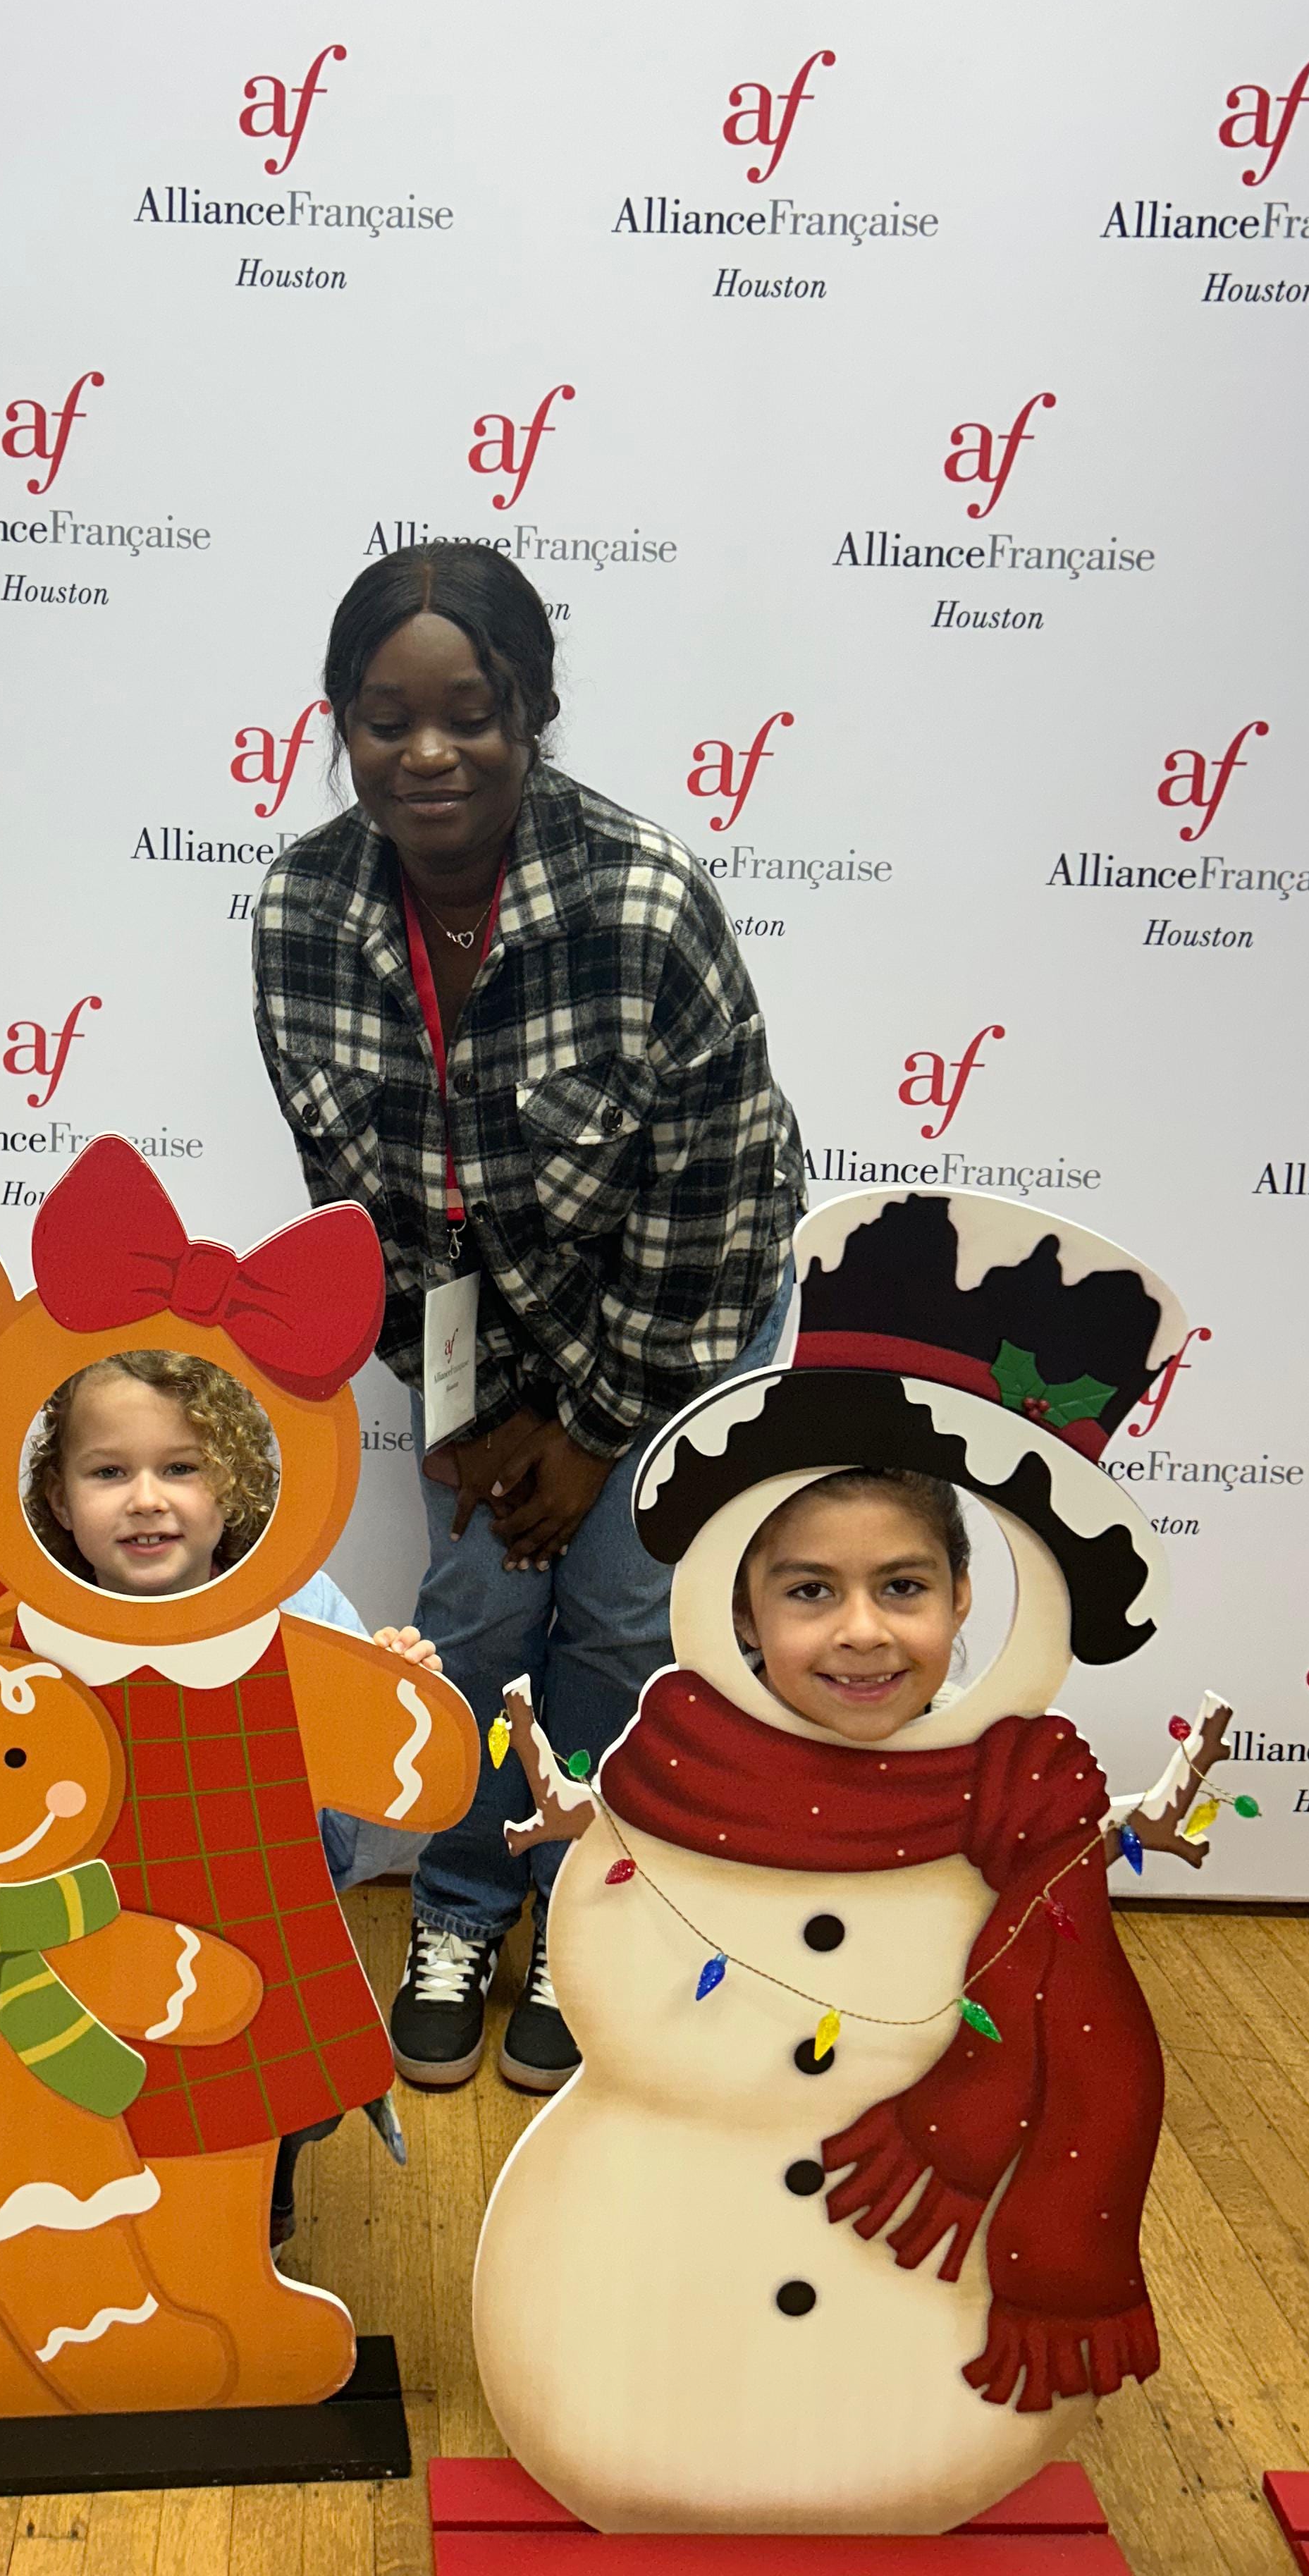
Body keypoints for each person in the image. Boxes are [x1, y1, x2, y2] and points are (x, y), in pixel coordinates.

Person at [252, 541, 804, 2094]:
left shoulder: (643, 901)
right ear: (341, 725)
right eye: (385, 720)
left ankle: (582, 1915)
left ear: (533, 714)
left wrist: (591, 1435)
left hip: (679, 1311)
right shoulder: (301, 911)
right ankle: (458, 1903)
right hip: (479, 1338)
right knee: (478, 1617)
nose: (427, 754)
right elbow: (359, 1206)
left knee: (623, 1621)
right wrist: (470, 1421)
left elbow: (703, 1213)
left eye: (471, 715)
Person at [23, 1344, 443, 2240]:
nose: (146, 1499)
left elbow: (364, 1832)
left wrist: (392, 1712)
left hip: (257, 1940)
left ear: (234, 1485)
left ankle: (265, 2192)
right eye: (108, 1472)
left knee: (280, 2077)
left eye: (181, 1468)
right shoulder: (30, 1627)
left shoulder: (301, 1611)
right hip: (84, 1948)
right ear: (59, 1500)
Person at [731, 1469, 971, 1740]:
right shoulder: (692, 1743)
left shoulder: (997, 1747)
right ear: (744, 1613)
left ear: (958, 1597)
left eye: (902, 1586)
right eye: (811, 1591)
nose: (863, 1635)